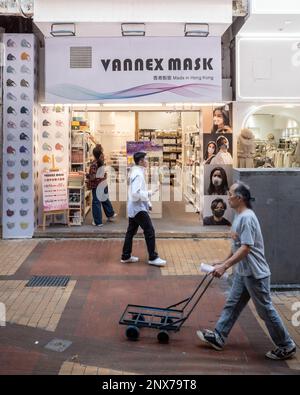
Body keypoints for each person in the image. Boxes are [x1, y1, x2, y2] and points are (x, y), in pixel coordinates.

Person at [197, 182, 296, 361]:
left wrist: (225, 266)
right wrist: (223, 261)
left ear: (240, 198)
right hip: (244, 272)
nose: (228, 196)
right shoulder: (238, 215)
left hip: (255, 274)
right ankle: (219, 336)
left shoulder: (247, 218)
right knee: (232, 304)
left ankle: (286, 345)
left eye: (231, 193)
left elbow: (246, 248)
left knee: (265, 310)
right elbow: (237, 245)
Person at [121, 152, 166, 267]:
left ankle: (126, 256)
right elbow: (136, 193)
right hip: (137, 209)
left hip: (135, 207)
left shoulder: (137, 171)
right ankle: (153, 257)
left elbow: (137, 191)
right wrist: (151, 192)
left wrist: (148, 203)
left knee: (130, 232)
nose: (147, 161)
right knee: (149, 231)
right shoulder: (138, 174)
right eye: (145, 160)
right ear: (141, 161)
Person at [86, 145, 116, 227]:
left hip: (97, 186)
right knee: (105, 199)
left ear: (93, 154)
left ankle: (98, 221)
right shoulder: (101, 162)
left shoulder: (94, 164)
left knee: (96, 202)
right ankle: (110, 215)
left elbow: (93, 177)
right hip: (103, 184)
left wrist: (86, 175)